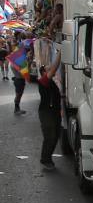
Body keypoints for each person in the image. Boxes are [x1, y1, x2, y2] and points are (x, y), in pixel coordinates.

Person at [36, 36, 61, 171]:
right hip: (46, 112)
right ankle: (45, 159)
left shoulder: (52, 82)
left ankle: (48, 158)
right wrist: (61, 53)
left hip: (54, 111)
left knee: (55, 135)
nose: (49, 66)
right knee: (50, 136)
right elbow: (54, 68)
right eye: (47, 67)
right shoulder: (43, 81)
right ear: (44, 72)